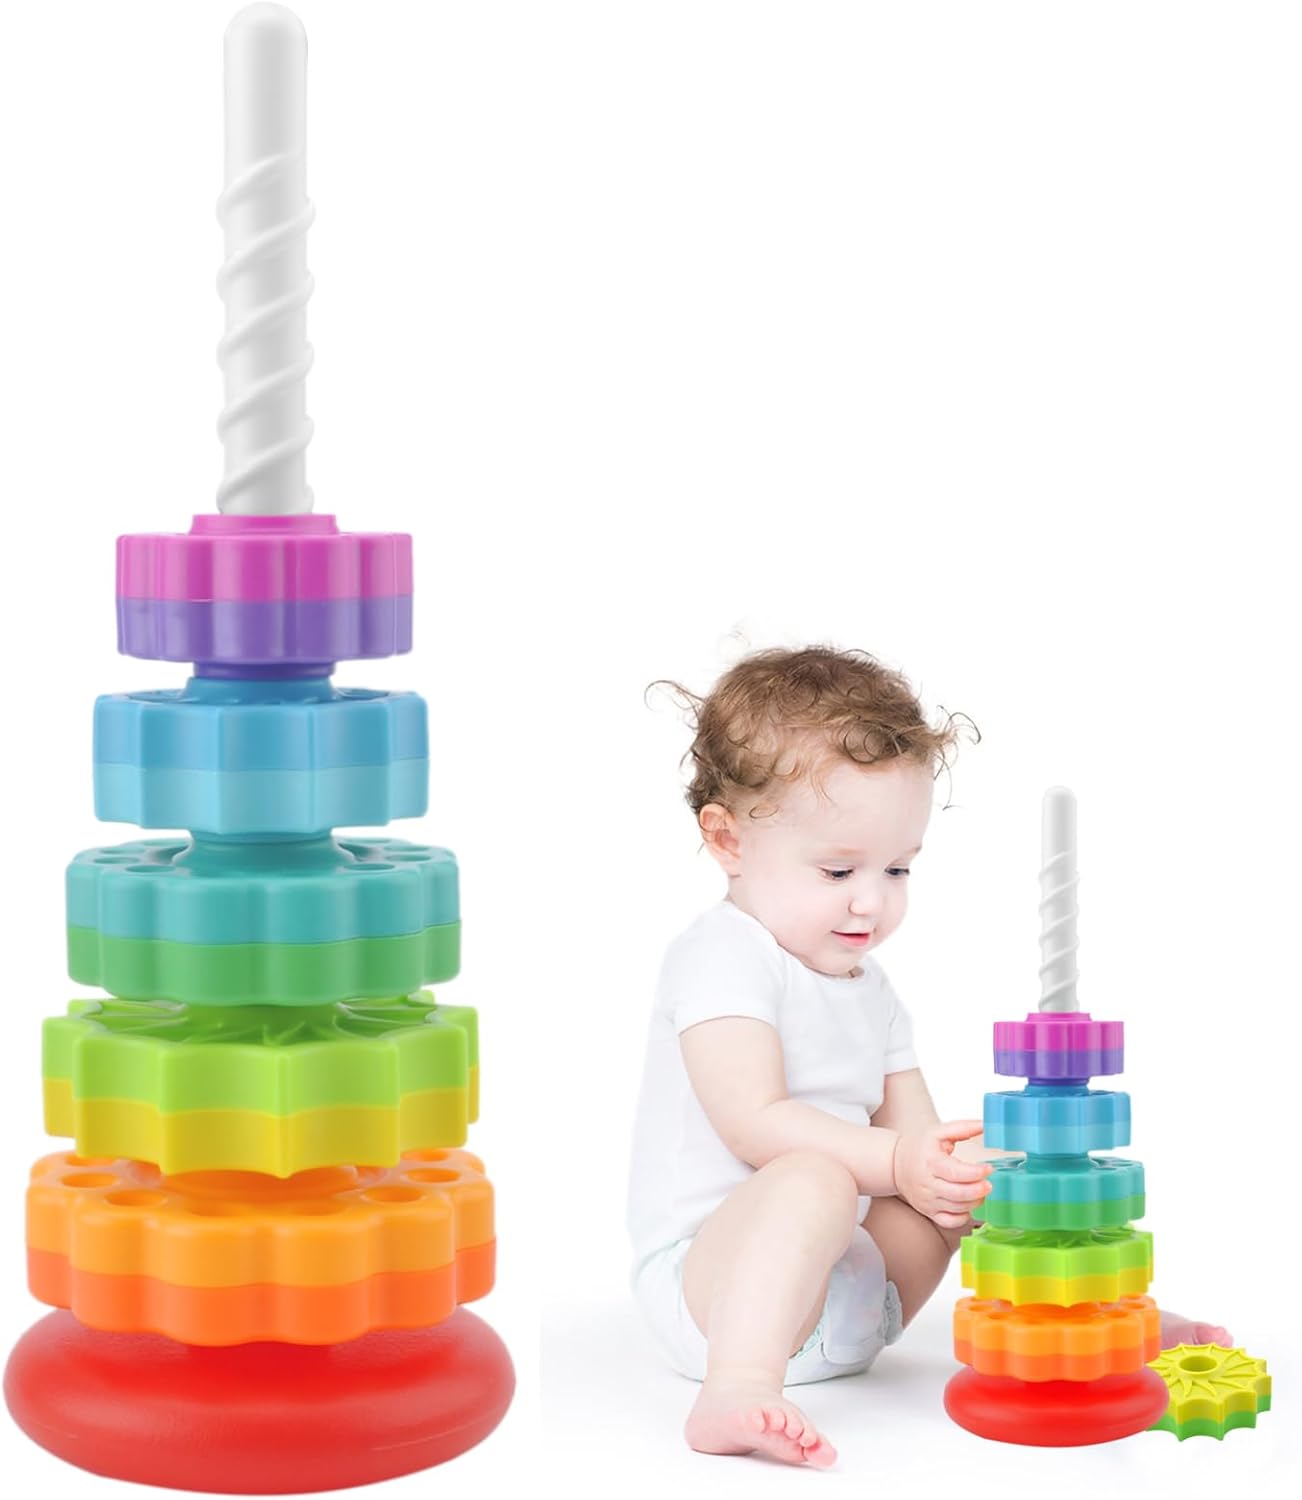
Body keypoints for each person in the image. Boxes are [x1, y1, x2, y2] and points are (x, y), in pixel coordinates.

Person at [625, 644, 1229, 1468]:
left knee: (986, 1164)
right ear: (728, 840)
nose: (871, 900)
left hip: (857, 1306)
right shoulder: (721, 956)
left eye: (897, 868)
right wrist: (898, 1162)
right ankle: (736, 1390)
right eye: (838, 869)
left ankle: (1098, 1321)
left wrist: (951, 1167)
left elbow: (919, 1146)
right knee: (813, 1178)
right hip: (716, 1300)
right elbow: (754, 1121)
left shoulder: (871, 991)